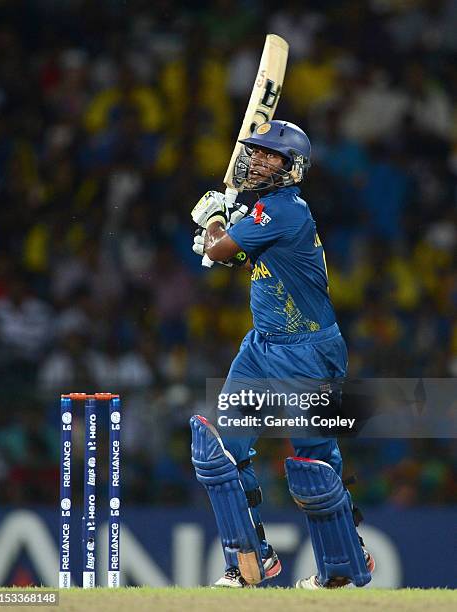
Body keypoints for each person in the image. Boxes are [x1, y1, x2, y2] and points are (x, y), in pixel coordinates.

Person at [190, 120, 375, 589]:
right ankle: (251, 559)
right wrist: (223, 236)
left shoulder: (284, 210)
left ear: (292, 168)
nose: (257, 160)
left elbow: (223, 248)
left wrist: (213, 221)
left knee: (313, 464)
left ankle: (344, 562)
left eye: (271, 155)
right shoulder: (264, 212)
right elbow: (231, 254)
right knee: (222, 454)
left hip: (307, 352)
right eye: (256, 152)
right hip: (263, 345)